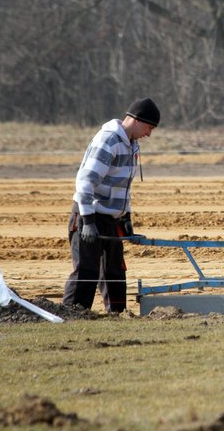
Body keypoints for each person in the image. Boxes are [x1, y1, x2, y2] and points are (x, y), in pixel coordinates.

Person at [63, 97, 160, 312]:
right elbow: (85, 181)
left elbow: (122, 185)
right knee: (86, 271)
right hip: (90, 214)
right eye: (148, 127)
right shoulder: (109, 140)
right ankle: (72, 316)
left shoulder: (131, 144)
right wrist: (88, 221)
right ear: (136, 120)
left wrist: (125, 218)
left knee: (115, 271)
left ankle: (116, 315)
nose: (149, 134)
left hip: (111, 218)